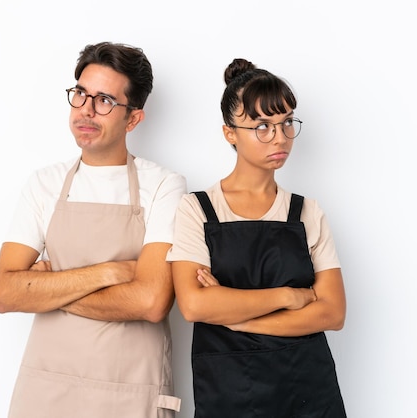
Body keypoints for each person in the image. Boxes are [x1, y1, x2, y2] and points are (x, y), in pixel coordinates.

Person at [0, 42, 186, 418]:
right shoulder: (44, 184)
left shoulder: (164, 185)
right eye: (80, 94)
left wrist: (46, 289)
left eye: (104, 101)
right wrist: (110, 273)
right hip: (44, 392)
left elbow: (150, 301)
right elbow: (4, 293)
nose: (86, 111)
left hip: (131, 393)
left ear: (133, 119)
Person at [167, 58, 347, 417]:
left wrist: (236, 317)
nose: (279, 137)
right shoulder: (198, 210)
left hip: (308, 391)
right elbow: (195, 306)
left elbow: (332, 312)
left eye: (286, 123)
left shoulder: (307, 211)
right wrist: (288, 296)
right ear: (229, 133)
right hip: (229, 391)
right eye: (262, 126)